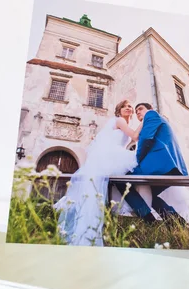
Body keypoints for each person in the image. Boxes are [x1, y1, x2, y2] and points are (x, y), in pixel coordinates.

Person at [53, 100, 142, 246]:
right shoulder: (119, 121)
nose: (128, 108)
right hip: (110, 156)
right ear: (119, 110)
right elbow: (134, 136)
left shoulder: (118, 123)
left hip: (111, 155)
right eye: (125, 106)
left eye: (130, 107)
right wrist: (146, 119)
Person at [112, 102, 189, 225]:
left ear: (150, 108)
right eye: (136, 112)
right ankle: (175, 222)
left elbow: (146, 139)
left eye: (140, 109)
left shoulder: (151, 114)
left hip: (159, 165)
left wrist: (137, 160)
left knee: (121, 181)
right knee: (149, 194)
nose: (138, 112)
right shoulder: (157, 119)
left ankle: (148, 219)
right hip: (169, 167)